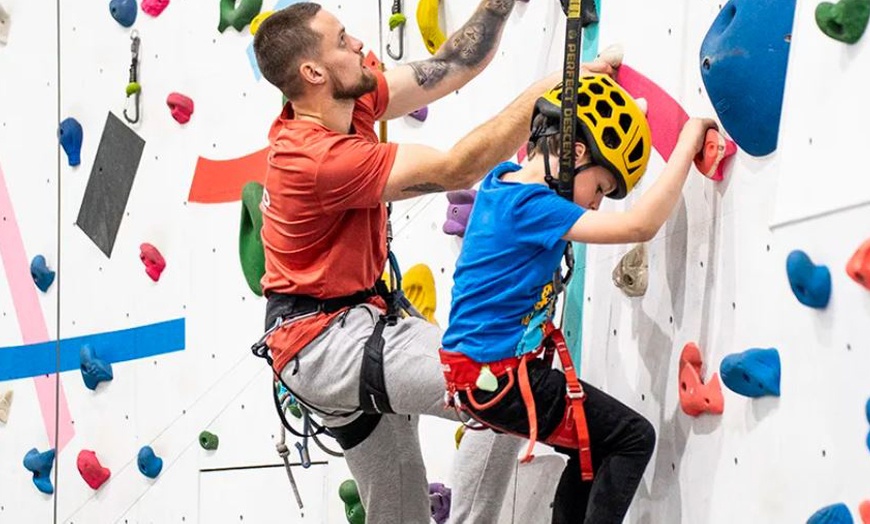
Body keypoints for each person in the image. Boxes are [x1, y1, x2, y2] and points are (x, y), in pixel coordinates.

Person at [251, 2, 617, 522]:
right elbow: (455, 169)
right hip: (327, 342)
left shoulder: (346, 102)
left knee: (399, 513)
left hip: (338, 331)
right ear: (313, 73)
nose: (358, 45)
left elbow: (450, 65)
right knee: (494, 385)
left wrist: (498, 5)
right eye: (342, 40)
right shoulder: (315, 159)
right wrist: (549, 92)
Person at [439, 74, 718, 523]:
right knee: (631, 438)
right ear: (574, 153)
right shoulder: (532, 207)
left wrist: (596, 77)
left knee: (590, 451)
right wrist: (686, 143)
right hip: (502, 380)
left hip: (480, 377)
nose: (596, 206)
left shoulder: (500, 182)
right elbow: (639, 227)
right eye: (602, 189)